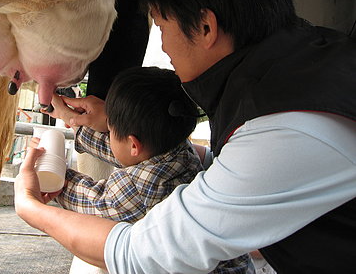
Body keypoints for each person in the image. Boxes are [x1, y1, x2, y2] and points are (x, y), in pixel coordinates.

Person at [14, 0, 356, 274]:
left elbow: (143, 253)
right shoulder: (308, 64)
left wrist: (33, 207)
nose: (164, 45)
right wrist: (96, 122)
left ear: (206, 27)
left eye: (162, 24)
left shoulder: (283, 128)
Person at [32, 66, 252, 273]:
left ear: (133, 144)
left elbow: (91, 201)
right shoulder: (178, 150)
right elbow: (120, 149)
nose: (108, 134)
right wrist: (68, 118)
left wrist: (47, 169)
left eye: (110, 129)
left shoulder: (142, 187)